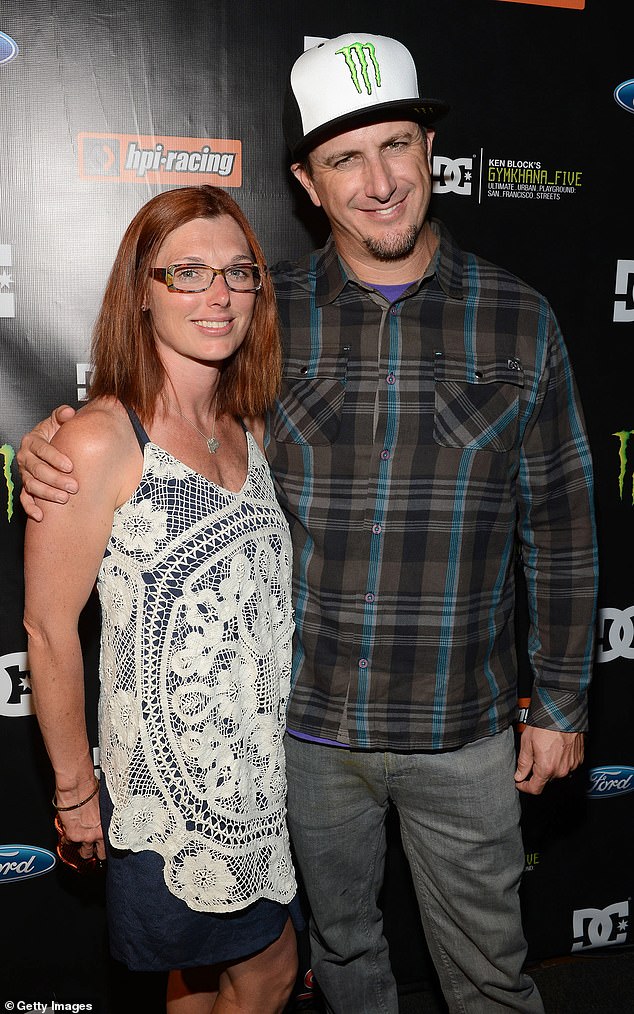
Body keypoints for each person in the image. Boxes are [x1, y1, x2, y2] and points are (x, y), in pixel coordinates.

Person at [19, 33, 597, 1014]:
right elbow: (153, 418)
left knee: (489, 978)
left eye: (395, 148)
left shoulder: (519, 318)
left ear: (428, 154)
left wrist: (564, 700)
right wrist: (56, 438)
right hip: (305, 736)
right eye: (343, 159)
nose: (376, 182)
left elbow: (564, 521)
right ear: (307, 182)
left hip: (459, 725)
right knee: (340, 963)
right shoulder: (261, 313)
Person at [22, 185, 301, 1014]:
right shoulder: (101, 437)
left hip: (252, 781)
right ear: (141, 289)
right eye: (188, 272)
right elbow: (46, 630)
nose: (218, 294)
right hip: (166, 800)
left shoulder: (250, 425)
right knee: (270, 974)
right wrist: (76, 797)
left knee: (195, 984)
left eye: (237, 272)